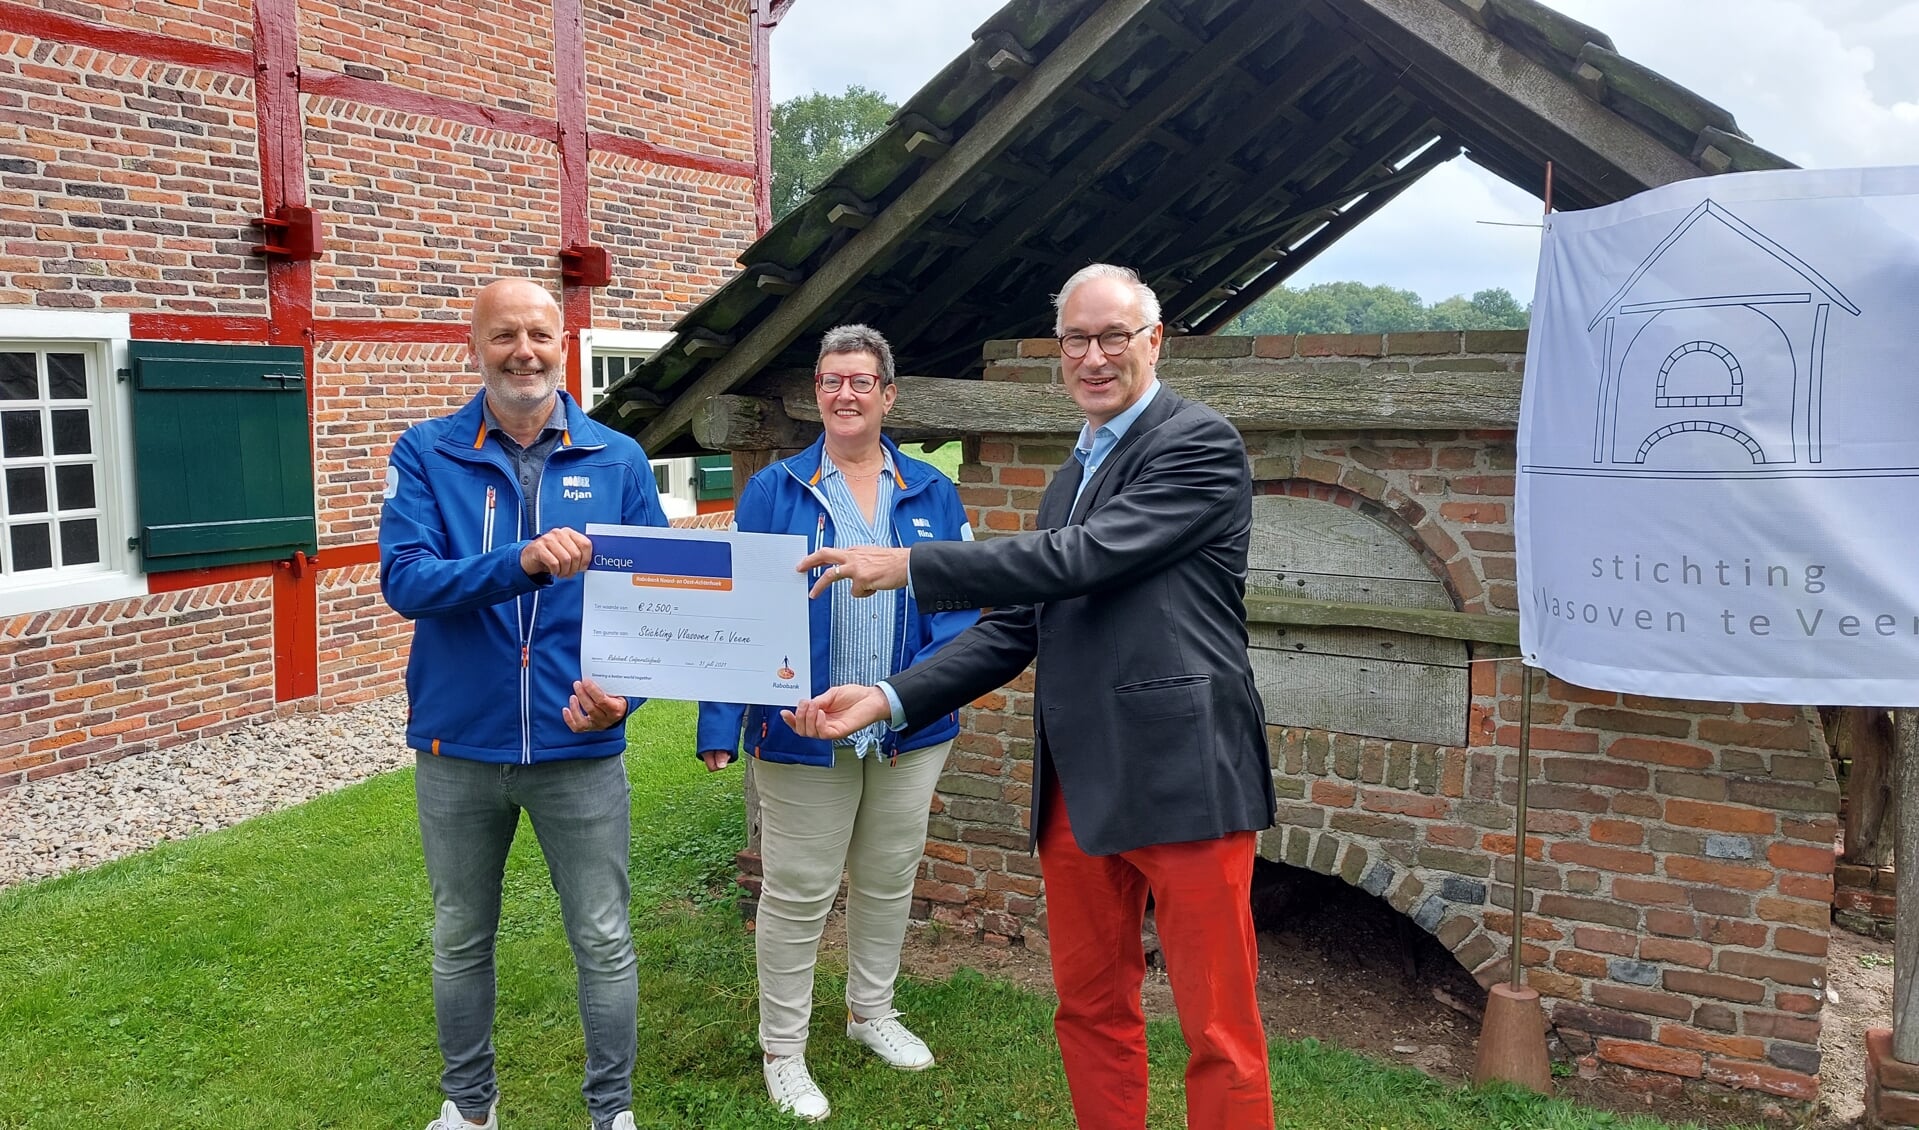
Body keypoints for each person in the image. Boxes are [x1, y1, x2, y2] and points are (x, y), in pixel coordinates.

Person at [784, 265, 1278, 1129]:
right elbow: (1016, 628)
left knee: (1217, 1030)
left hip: (1184, 776)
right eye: (1075, 340)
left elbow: (1079, 559)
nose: (1093, 356)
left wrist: (911, 564)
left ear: (1153, 341)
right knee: (1089, 1010)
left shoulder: (1196, 443)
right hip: (1078, 787)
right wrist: (888, 698)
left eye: (1112, 336)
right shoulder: (1070, 474)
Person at [379, 278, 668, 1130]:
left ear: (563, 342)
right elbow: (405, 579)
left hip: (578, 748)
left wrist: (627, 700)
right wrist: (522, 561)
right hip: (458, 744)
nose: (524, 353)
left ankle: (610, 1113)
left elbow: (657, 602)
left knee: (605, 938)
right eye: (504, 335)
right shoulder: (426, 452)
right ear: (475, 346)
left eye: (539, 334)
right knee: (460, 937)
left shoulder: (616, 457)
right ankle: (470, 1107)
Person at [696, 324, 978, 1123]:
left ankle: (870, 1014)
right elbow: (738, 607)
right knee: (798, 890)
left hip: (905, 728)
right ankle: (783, 1050)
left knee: (888, 880)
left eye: (860, 381)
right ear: (816, 394)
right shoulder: (776, 489)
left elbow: (957, 617)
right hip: (800, 727)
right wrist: (722, 722)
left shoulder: (930, 493)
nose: (844, 394)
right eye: (829, 381)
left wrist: (911, 696)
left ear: (888, 396)